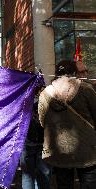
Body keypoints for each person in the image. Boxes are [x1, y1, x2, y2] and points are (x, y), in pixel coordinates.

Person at [38, 60, 96, 189]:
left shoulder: (44, 94)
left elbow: (43, 122)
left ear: (56, 73)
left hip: (59, 151)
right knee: (89, 184)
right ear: (74, 72)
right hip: (88, 149)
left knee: (64, 185)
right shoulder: (86, 89)